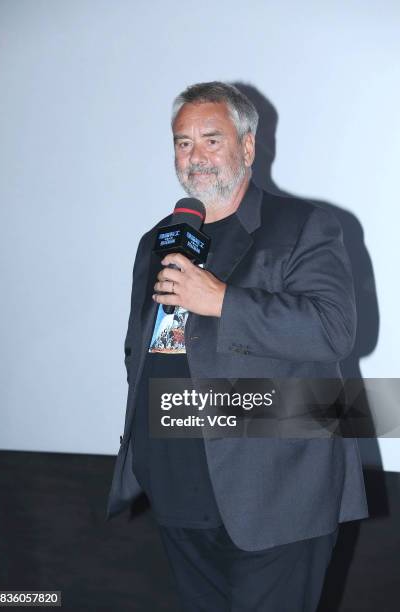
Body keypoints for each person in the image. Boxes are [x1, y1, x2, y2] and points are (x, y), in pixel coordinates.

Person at [106, 81, 369, 611]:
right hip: (178, 482)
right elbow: (144, 351)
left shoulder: (304, 226)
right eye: (182, 143)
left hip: (276, 493)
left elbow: (334, 330)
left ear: (247, 147)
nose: (194, 156)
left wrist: (223, 300)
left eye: (211, 139)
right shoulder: (158, 238)